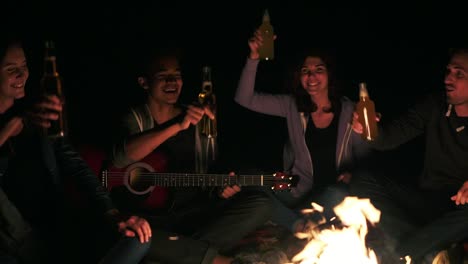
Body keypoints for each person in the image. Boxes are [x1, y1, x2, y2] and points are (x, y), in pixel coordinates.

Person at [109, 46, 273, 264]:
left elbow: (209, 173)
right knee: (135, 236)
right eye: (163, 76)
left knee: (260, 204)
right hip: (149, 219)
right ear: (144, 83)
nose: (172, 82)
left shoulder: (199, 118)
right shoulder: (135, 118)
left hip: (193, 213)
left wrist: (220, 189)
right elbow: (121, 159)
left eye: (176, 75)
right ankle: (197, 255)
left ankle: (176, 252)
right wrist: (176, 125)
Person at [0, 36, 152, 264]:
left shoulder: (34, 115)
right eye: (12, 69)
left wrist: (112, 214)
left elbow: (74, 163)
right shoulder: (20, 120)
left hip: (55, 231)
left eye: (24, 66)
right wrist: (6, 131)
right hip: (12, 246)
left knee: (137, 238)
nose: (22, 75)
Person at [234, 30, 374, 233]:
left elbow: (365, 158)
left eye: (319, 69)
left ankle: (293, 221)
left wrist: (354, 175)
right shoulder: (291, 105)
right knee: (247, 176)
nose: (311, 76)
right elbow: (244, 98)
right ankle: (299, 224)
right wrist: (254, 57)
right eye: (305, 71)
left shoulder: (351, 110)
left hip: (333, 194)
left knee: (339, 193)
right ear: (298, 76)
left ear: (329, 74)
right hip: (296, 190)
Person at [350, 48, 468, 263]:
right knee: (364, 179)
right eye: (448, 71)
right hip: (428, 199)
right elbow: (390, 137)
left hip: (460, 212)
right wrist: (370, 131)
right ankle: (427, 249)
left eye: (459, 74)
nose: (448, 79)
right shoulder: (435, 105)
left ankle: (401, 253)